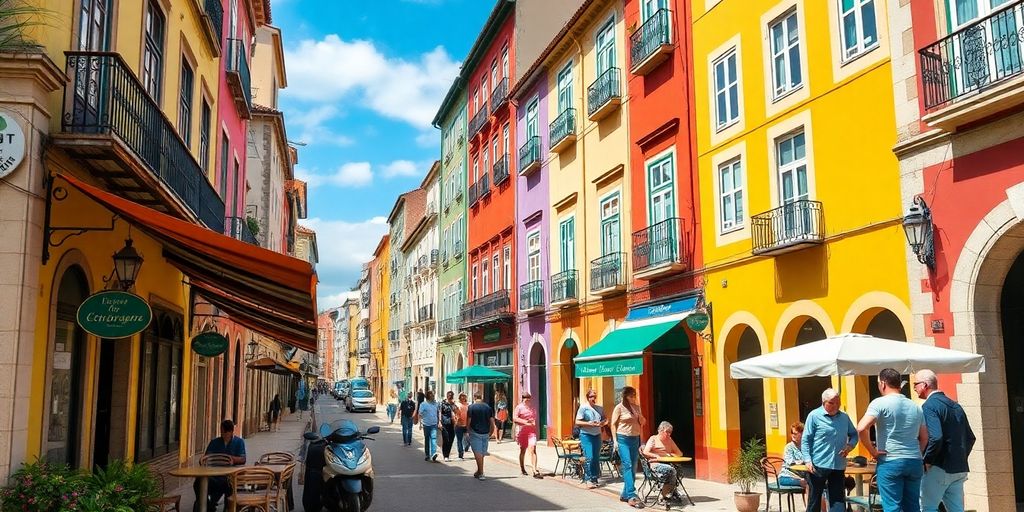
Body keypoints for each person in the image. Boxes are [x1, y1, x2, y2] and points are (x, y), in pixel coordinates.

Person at [857, 368, 928, 512]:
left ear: (882, 383)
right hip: (914, 460)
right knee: (913, 506)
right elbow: (925, 437)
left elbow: (861, 428)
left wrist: (873, 452)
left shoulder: (879, 403)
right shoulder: (916, 406)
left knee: (892, 507)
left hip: (891, 460)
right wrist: (916, 452)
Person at [914, 369, 976, 512]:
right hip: (958, 468)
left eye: (915, 384)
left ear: (924, 385)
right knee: (956, 509)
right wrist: (960, 457)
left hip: (939, 467)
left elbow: (935, 437)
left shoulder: (929, 406)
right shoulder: (956, 405)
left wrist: (927, 460)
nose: (915, 388)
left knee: (927, 508)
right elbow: (970, 437)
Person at [803, 388, 858, 512]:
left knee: (838, 501)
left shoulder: (844, 417)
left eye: (837, 403)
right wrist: (807, 460)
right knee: (814, 501)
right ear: (824, 402)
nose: (836, 406)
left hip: (838, 465)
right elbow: (806, 439)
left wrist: (850, 446)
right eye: (832, 403)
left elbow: (854, 434)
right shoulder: (814, 416)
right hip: (818, 465)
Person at [194, 420, 245, 511]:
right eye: (221, 431)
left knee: (230, 487)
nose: (223, 434)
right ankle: (207, 505)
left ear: (231, 432)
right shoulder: (214, 442)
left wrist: (232, 459)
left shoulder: (239, 442)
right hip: (213, 476)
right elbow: (206, 457)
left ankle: (225, 507)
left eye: (225, 432)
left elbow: (243, 459)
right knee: (198, 482)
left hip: (228, 477)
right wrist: (203, 459)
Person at [611, 386, 647, 509]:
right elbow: (613, 424)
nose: (633, 398)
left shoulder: (637, 407)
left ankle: (625, 494)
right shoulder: (619, 408)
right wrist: (615, 440)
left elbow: (642, 423)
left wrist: (640, 417)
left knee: (633, 467)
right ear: (625, 396)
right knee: (627, 465)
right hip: (623, 438)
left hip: (635, 438)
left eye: (634, 395)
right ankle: (632, 494)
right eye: (631, 395)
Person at [641, 421, 686, 505]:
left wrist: (669, 455)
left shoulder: (670, 440)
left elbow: (680, 453)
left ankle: (670, 492)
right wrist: (657, 456)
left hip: (668, 463)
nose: (669, 434)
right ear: (660, 431)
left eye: (670, 432)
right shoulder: (653, 439)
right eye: (667, 432)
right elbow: (646, 452)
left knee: (678, 471)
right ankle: (664, 495)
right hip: (655, 465)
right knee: (671, 470)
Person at [575, 388, 606, 489]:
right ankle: (588, 479)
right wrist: (589, 423)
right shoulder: (583, 408)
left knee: (596, 458)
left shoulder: (599, 408)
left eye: (595, 396)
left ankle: (594, 478)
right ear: (588, 398)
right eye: (591, 396)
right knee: (590, 457)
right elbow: (577, 422)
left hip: (597, 434)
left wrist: (602, 423)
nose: (593, 398)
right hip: (586, 435)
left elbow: (605, 419)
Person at [467, 392, 496, 481]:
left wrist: (467, 431)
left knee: (477, 453)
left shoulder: (471, 407)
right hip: (486, 432)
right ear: (482, 397)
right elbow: (492, 421)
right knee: (482, 452)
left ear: (474, 397)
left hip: (475, 432)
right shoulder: (488, 408)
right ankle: (479, 471)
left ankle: (481, 472)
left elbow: (468, 421)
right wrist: (491, 432)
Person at [513, 392, 542, 478]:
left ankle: (534, 470)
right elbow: (514, 418)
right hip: (522, 432)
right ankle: (522, 468)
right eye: (525, 398)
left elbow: (534, 418)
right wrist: (525, 422)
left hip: (531, 432)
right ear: (523, 399)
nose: (527, 400)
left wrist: (532, 422)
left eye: (529, 398)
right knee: (523, 450)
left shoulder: (532, 408)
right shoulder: (519, 407)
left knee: (533, 449)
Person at [778, 421, 807, 490]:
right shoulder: (789, 447)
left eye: (795, 433)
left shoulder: (806, 447)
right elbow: (790, 462)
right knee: (806, 483)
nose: (793, 435)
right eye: (792, 433)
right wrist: (802, 462)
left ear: (802, 434)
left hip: (802, 475)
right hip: (787, 476)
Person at [418, 390, 441, 462]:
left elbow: (438, 412)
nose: (433, 397)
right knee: (427, 439)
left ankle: (433, 454)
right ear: (428, 396)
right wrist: (420, 424)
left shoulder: (436, 404)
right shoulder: (423, 404)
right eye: (432, 396)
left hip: (434, 424)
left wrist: (439, 422)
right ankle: (427, 454)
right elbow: (420, 414)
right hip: (426, 424)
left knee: (434, 438)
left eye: (433, 395)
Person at [439, 390, 458, 462]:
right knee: (446, 439)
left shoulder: (453, 404)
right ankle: (445, 455)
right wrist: (439, 422)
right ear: (447, 396)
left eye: (451, 396)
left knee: (451, 439)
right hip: (444, 423)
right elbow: (440, 413)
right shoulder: (442, 403)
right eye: (449, 395)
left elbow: (457, 412)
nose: (450, 397)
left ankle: (448, 454)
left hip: (452, 424)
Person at [454, 392, 470, 459]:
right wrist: (456, 419)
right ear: (459, 397)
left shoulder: (468, 405)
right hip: (459, 425)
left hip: (467, 425)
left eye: (464, 396)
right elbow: (454, 413)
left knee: (469, 439)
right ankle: (461, 453)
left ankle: (466, 446)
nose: (463, 398)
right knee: (459, 440)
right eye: (461, 396)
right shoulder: (457, 404)